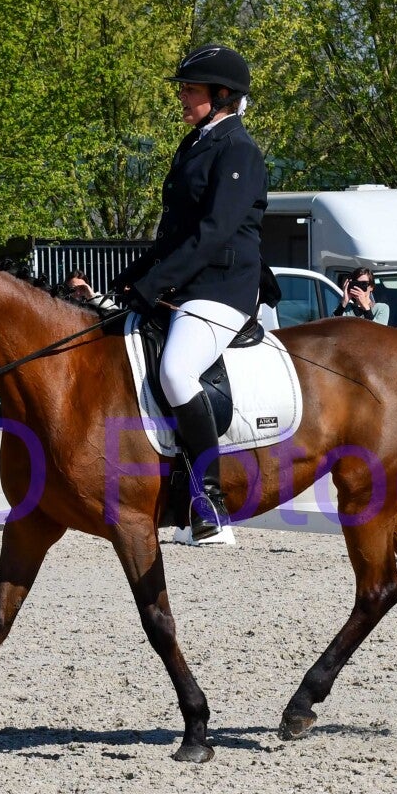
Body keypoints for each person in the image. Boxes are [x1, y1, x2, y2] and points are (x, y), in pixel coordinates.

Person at [109, 44, 268, 547]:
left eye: (190, 90)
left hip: (223, 287)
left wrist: (155, 285)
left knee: (177, 370)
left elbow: (214, 233)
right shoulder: (194, 144)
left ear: (221, 96)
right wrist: (131, 279)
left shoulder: (238, 150)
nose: (181, 97)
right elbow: (174, 234)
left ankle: (209, 498)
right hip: (187, 284)